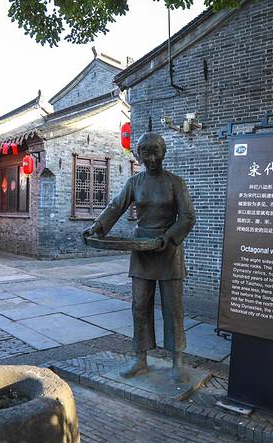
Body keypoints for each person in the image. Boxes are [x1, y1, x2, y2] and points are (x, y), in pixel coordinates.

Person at [83, 132, 196, 380]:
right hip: (142, 250)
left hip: (169, 250)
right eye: (146, 153)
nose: (152, 158)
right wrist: (97, 226)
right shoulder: (135, 182)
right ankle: (139, 358)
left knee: (173, 307)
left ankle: (177, 361)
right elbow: (116, 206)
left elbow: (188, 216)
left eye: (156, 152)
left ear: (163, 153)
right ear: (139, 155)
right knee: (139, 305)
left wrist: (167, 237)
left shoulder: (176, 183)